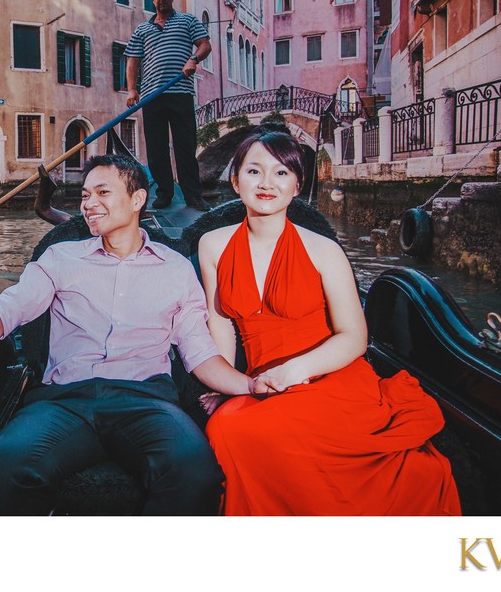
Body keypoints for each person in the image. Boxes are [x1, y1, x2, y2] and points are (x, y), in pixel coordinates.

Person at [0, 154, 261, 515]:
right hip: (64, 402)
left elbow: (200, 352)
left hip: (145, 401)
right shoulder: (60, 258)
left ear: (137, 200)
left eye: (102, 192)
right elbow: (11, 307)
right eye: (84, 195)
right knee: (9, 460)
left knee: (195, 471)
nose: (89, 204)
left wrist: (251, 385)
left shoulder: (176, 269)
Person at [197, 125, 461, 515]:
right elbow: (221, 324)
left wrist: (293, 371)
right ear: (235, 182)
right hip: (262, 383)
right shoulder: (212, 244)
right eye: (254, 171)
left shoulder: (323, 249)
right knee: (226, 426)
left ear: (297, 185)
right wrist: (229, 385)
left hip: (328, 376)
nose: (267, 182)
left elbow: (354, 336)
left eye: (281, 172)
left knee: (243, 429)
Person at [125, 0, 212, 211]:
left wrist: (193, 59)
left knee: (185, 146)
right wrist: (133, 89)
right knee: (157, 149)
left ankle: (193, 196)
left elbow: (205, 45)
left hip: (180, 93)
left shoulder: (188, 21)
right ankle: (164, 193)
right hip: (152, 96)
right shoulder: (142, 29)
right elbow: (133, 61)